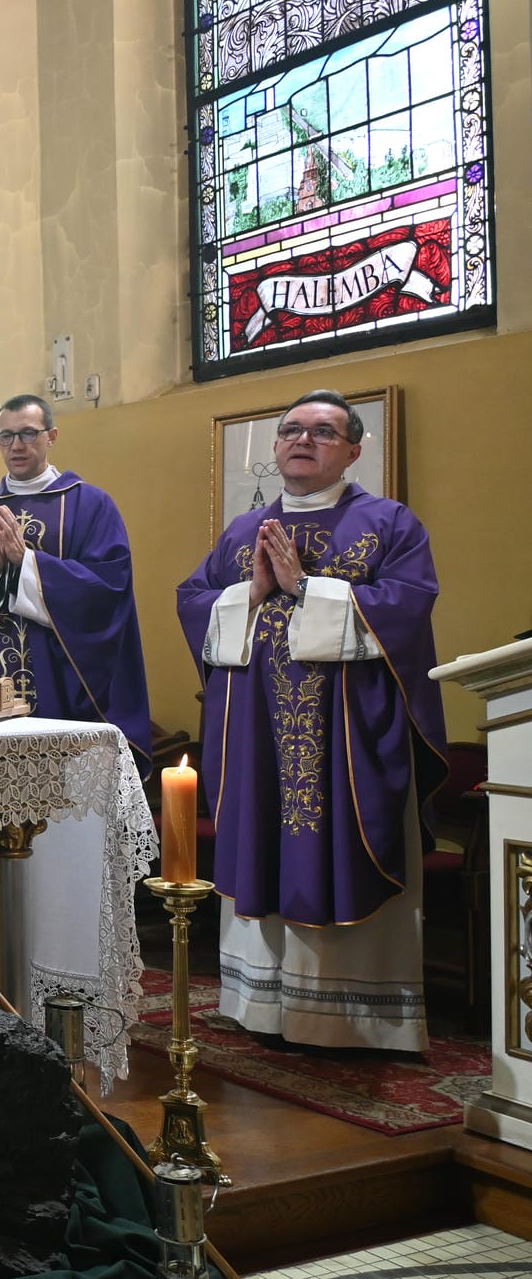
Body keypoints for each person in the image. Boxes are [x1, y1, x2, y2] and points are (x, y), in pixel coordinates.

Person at [178, 389, 447, 1051]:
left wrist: (305, 588)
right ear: (276, 447)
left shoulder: (389, 523)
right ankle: (259, 1006)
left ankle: (353, 1020)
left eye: (323, 432)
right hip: (258, 740)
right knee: (261, 841)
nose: (303, 440)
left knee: (342, 845)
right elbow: (193, 601)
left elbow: (408, 608)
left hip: (348, 739)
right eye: (292, 430)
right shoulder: (243, 532)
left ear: (353, 451)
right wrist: (252, 592)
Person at [0, 394, 152, 774]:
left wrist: (28, 563)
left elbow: (108, 590)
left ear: (52, 436)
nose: (17, 445)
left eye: (28, 434)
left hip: (62, 680)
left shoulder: (91, 505)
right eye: (6, 436)